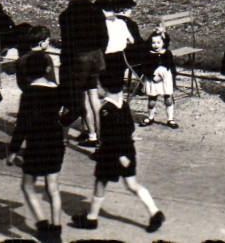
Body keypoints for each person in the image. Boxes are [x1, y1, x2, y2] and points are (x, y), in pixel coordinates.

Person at [70, 75, 166, 234]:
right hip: (128, 149)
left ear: (104, 88)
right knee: (132, 184)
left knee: (100, 182)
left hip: (112, 153)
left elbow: (108, 136)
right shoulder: (125, 105)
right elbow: (130, 129)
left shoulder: (106, 109)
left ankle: (92, 218)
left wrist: (119, 155)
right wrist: (125, 152)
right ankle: (154, 211)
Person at [6, 50, 67, 241]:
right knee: (53, 187)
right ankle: (56, 229)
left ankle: (42, 224)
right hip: (56, 142)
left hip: (36, 145)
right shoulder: (57, 91)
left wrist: (13, 150)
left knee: (27, 186)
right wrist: (62, 121)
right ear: (48, 69)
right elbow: (76, 108)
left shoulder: (28, 94)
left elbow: (21, 125)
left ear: (27, 72)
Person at [58, 0, 109, 147]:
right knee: (93, 97)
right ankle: (99, 140)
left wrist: (65, 65)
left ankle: (63, 139)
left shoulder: (66, 16)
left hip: (77, 61)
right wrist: (99, 53)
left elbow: (67, 45)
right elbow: (104, 38)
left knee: (72, 98)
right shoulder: (97, 11)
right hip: (96, 59)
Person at [100, 0, 144, 94]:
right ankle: (144, 85)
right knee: (149, 55)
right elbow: (137, 42)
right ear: (126, 9)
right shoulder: (130, 24)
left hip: (113, 56)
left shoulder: (109, 22)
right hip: (128, 57)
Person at [136, 30, 178, 129]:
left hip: (164, 79)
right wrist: (152, 76)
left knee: (168, 99)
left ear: (164, 43)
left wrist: (172, 79)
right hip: (153, 80)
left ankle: (170, 119)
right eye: (153, 43)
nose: (155, 45)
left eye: (158, 42)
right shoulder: (148, 54)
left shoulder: (167, 53)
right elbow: (145, 68)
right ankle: (150, 117)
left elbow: (170, 66)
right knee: (152, 100)